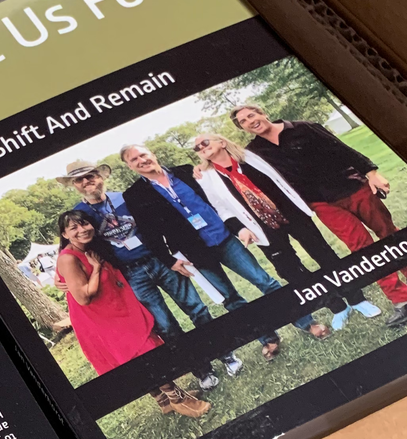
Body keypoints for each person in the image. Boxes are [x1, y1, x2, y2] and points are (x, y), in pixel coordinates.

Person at [231, 104, 407, 328]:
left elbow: (342, 149)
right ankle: (403, 299)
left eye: (251, 115)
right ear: (243, 128)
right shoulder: (254, 153)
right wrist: (203, 169)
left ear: (263, 113)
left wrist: (371, 172)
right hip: (321, 203)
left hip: (353, 187)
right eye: (243, 121)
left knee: (387, 231)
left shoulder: (303, 128)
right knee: (362, 249)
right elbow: (228, 165)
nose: (250, 121)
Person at [120, 144, 322, 361]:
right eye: (134, 160)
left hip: (223, 237)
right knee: (231, 300)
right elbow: (148, 232)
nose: (141, 160)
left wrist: (238, 226)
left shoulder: (186, 171)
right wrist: (169, 260)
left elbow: (217, 197)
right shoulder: (134, 195)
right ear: (129, 166)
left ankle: (305, 322)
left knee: (264, 281)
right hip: (194, 254)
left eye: (143, 154)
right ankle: (268, 338)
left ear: (152, 154)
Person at [58, 157, 243, 388]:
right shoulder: (80, 215)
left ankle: (225, 354)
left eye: (90, 176)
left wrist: (171, 256)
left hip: (161, 261)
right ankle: (201, 369)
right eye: (79, 180)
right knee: (166, 326)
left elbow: (159, 223)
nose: (87, 182)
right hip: (131, 274)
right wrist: (60, 275)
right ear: (74, 185)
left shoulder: (126, 198)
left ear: (101, 176)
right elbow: (71, 244)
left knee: (197, 309)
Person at [190, 132, 381, 331]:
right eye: (197, 148)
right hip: (261, 227)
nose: (201, 148)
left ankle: (356, 299)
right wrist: (240, 229)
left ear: (222, 142)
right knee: (290, 270)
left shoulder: (251, 156)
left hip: (291, 213)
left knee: (323, 254)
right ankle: (337, 306)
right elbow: (221, 208)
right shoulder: (206, 178)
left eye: (205, 142)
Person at [55, 212, 211, 419]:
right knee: (146, 352)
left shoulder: (89, 247)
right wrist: (97, 268)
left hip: (118, 308)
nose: (82, 230)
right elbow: (83, 297)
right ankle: (178, 400)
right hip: (102, 318)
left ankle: (164, 402)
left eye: (84, 224)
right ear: (64, 234)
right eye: (73, 228)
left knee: (137, 355)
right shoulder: (68, 258)